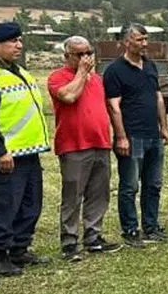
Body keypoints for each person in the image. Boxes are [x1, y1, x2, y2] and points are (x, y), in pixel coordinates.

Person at [0, 22, 52, 281]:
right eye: (13, 41)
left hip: (28, 152)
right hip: (3, 156)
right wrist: (0, 152)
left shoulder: (18, 71)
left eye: (20, 40)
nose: (19, 45)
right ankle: (0, 256)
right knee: (3, 206)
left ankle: (20, 249)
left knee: (30, 204)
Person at [47, 36, 120, 262]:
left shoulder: (97, 80)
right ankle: (69, 241)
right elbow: (68, 97)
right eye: (79, 54)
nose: (85, 58)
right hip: (73, 145)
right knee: (72, 194)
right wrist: (80, 74)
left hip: (100, 142)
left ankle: (93, 236)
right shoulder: (57, 78)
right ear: (66, 56)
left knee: (99, 193)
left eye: (88, 53)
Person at [104, 23, 168, 247]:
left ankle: (151, 226)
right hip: (133, 137)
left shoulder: (150, 66)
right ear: (126, 42)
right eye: (139, 40)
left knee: (154, 184)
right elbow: (114, 106)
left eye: (145, 39)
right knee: (130, 185)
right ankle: (131, 229)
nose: (144, 44)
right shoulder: (114, 71)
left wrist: (164, 125)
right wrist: (121, 137)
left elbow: (158, 97)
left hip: (153, 134)